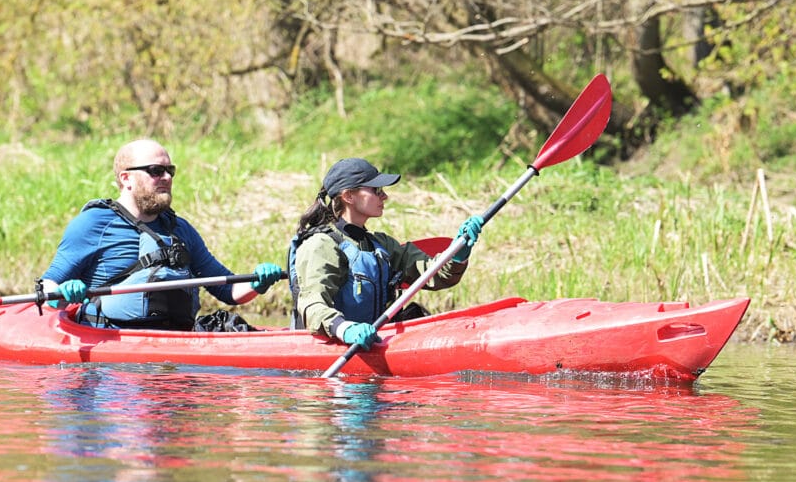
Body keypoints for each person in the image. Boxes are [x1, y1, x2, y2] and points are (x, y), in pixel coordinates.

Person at [40, 139, 284, 330]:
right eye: (156, 171)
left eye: (170, 170)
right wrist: (61, 295)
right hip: (111, 352)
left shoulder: (180, 229)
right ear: (126, 178)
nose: (166, 177)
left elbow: (228, 290)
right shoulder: (93, 223)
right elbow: (48, 285)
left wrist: (257, 283)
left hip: (173, 342)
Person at [288, 158, 485, 350]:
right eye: (376, 190)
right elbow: (312, 305)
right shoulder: (320, 245)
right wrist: (344, 328)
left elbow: (434, 274)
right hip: (334, 343)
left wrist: (459, 251)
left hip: (370, 340)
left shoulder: (381, 245)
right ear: (348, 196)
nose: (385, 197)